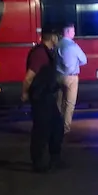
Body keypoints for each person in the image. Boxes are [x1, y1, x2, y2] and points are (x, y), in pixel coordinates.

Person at [25, 28, 64, 173]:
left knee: (57, 127)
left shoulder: (48, 52)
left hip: (47, 96)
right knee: (41, 131)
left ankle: (55, 158)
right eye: (56, 36)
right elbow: (29, 77)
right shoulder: (40, 54)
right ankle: (38, 163)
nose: (58, 38)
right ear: (52, 37)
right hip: (40, 97)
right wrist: (24, 93)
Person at [55, 23, 88, 133]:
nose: (74, 33)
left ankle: (56, 125)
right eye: (73, 31)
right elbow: (84, 60)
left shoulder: (57, 45)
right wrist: (76, 63)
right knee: (69, 104)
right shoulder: (73, 46)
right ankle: (65, 128)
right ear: (68, 32)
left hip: (58, 76)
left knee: (58, 103)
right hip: (71, 78)